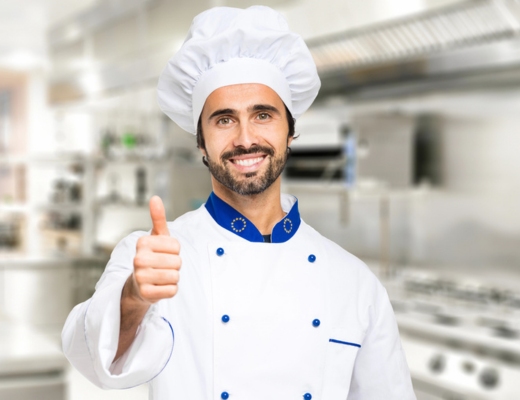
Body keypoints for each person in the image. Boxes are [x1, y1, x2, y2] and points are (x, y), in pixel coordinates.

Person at [62, 5, 416, 400]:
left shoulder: (355, 283)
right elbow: (89, 357)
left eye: (263, 115)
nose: (245, 138)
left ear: (290, 132)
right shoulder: (155, 258)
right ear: (200, 140)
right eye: (224, 119)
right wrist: (133, 297)